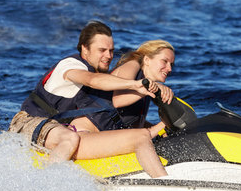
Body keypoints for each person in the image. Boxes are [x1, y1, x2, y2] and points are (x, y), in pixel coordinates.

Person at [9, 21, 168, 178]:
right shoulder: (71, 65)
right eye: (102, 50)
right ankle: (45, 184)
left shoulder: (98, 73)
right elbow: (92, 80)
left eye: (111, 51)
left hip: (58, 129)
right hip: (28, 123)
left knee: (74, 136)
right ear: (85, 48)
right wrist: (135, 85)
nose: (109, 56)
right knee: (70, 138)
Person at [111, 40, 176, 138]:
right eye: (165, 61)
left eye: (171, 64)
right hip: (101, 134)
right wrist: (166, 123)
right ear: (147, 60)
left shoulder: (147, 84)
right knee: (172, 121)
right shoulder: (132, 65)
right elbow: (118, 101)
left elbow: (133, 122)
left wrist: (163, 131)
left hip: (122, 135)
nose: (169, 69)